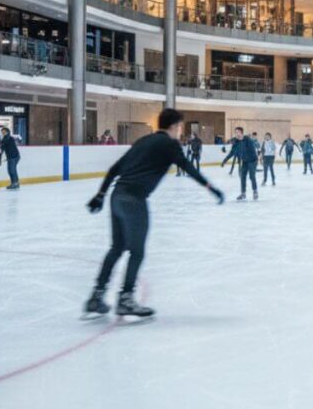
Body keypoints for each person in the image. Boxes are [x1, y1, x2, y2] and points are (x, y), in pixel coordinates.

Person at [83, 108, 224, 319]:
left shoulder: (143, 141)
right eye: (180, 127)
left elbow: (114, 169)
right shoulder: (170, 144)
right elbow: (187, 167)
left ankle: (96, 296)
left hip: (116, 198)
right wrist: (211, 187)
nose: (180, 132)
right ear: (175, 126)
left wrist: (101, 195)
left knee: (117, 248)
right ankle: (126, 299)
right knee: (136, 251)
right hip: (134, 200)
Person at [222, 127, 258, 200]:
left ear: (241, 132)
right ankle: (243, 193)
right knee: (242, 176)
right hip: (245, 161)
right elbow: (231, 153)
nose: (236, 134)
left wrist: (240, 145)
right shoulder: (236, 143)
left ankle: (255, 191)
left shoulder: (248, 140)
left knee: (252, 176)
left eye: (237, 132)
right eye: (235, 132)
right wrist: (224, 161)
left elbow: (251, 150)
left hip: (252, 160)